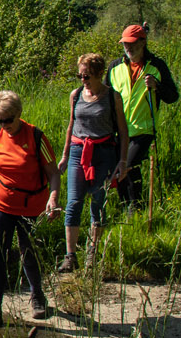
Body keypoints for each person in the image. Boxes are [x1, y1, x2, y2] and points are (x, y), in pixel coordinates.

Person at [0, 90, 57, 327]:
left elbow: (53, 173)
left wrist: (53, 198)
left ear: (19, 113)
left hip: (30, 206)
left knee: (28, 251)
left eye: (8, 120)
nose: (4, 125)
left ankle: (37, 295)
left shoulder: (36, 137)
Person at [52, 53, 128, 272]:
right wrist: (65, 156)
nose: (83, 80)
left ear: (98, 74)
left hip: (104, 152)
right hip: (78, 151)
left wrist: (122, 161)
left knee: (98, 201)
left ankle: (92, 254)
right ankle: (70, 256)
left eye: (86, 76)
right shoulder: (76, 95)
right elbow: (71, 125)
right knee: (74, 202)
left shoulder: (112, 97)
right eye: (80, 76)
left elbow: (123, 131)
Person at [107, 24, 178, 211]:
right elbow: (104, 96)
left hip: (143, 128)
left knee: (129, 165)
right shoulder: (114, 67)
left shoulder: (156, 66)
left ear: (143, 42)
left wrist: (157, 86)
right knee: (120, 168)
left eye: (132, 43)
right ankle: (126, 207)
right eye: (125, 44)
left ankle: (135, 208)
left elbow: (173, 96)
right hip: (119, 129)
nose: (128, 48)